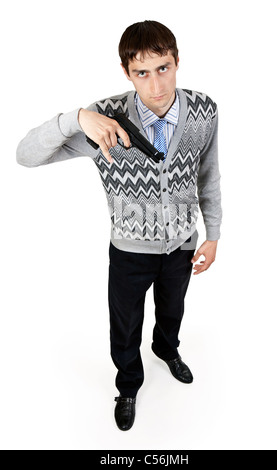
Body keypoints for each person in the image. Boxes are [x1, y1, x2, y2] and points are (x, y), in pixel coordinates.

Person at [16, 20, 222, 431]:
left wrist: (213, 234)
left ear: (177, 61)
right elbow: (26, 156)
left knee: (173, 309)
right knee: (124, 322)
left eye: (163, 68)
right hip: (129, 250)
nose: (155, 85)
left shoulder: (204, 110)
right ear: (127, 73)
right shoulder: (105, 118)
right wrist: (76, 118)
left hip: (183, 244)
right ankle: (128, 384)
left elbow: (209, 175)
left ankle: (167, 350)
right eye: (141, 73)